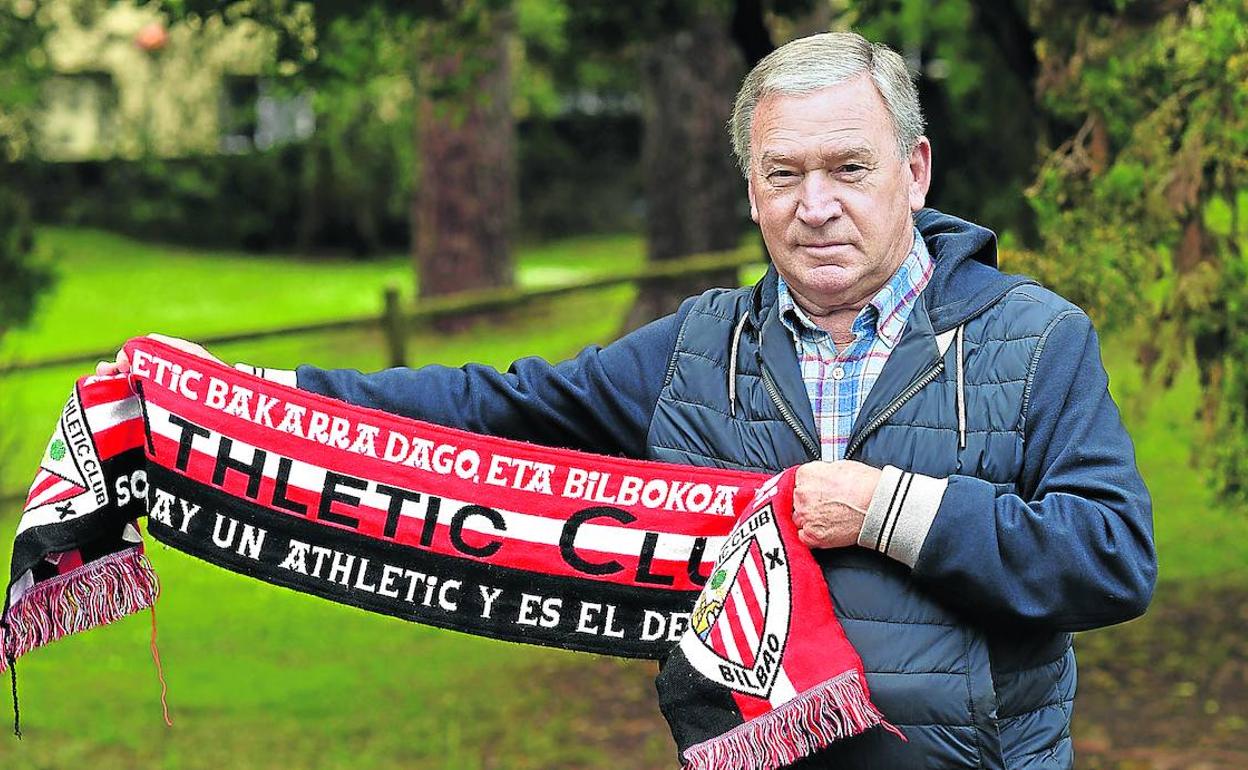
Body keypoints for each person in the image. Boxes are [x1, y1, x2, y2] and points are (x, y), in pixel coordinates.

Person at [100, 31, 1155, 770]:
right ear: (749, 187)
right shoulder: (699, 346)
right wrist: (251, 394)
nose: (815, 204)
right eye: (783, 173)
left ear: (914, 172)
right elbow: (491, 408)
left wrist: (884, 508)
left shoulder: (1036, 335)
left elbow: (1110, 555)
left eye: (849, 166)